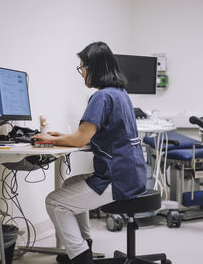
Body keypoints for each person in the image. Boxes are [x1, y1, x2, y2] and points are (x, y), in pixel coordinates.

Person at [32, 41, 147, 264]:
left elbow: (80, 138)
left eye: (83, 67)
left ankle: (81, 256)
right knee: (69, 185)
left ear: (95, 68)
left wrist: (49, 138)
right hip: (132, 174)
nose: (82, 72)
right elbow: (88, 135)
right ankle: (84, 242)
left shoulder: (101, 97)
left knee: (54, 201)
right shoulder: (121, 94)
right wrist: (57, 138)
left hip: (117, 179)